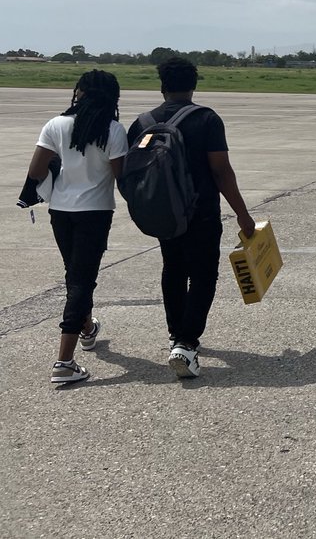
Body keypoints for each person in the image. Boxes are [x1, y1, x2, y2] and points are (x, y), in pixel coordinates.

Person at [128, 57, 255, 380]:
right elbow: (221, 170)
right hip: (201, 213)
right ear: (194, 85)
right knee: (202, 275)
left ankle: (176, 335)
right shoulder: (207, 119)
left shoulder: (142, 123)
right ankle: (186, 343)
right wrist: (243, 214)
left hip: (164, 214)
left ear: (162, 86)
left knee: (172, 269)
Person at [18, 70, 128, 385]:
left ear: (78, 92)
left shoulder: (56, 125)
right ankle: (64, 361)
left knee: (75, 275)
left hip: (61, 211)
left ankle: (88, 327)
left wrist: (60, 166)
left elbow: (36, 170)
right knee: (82, 279)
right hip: (95, 212)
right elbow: (121, 180)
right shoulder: (113, 130)